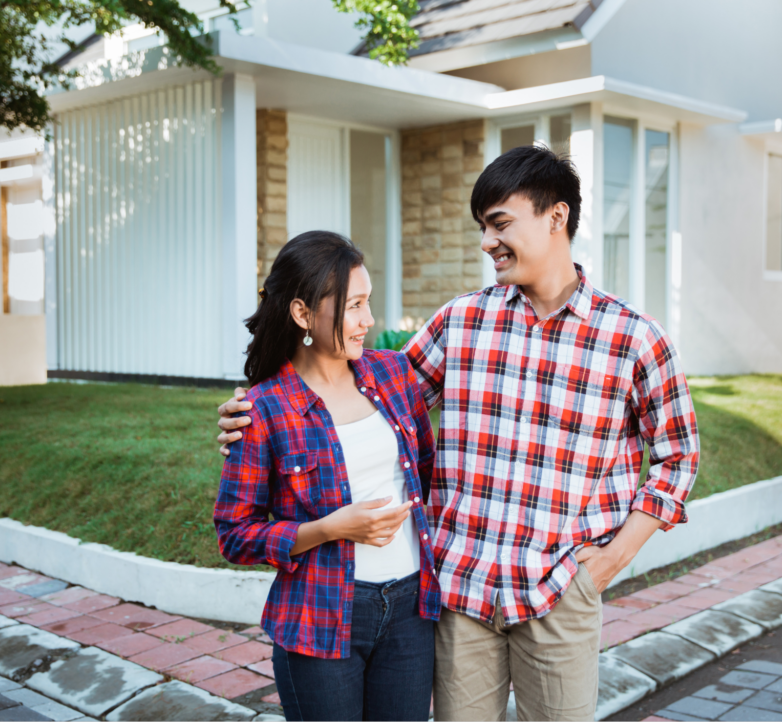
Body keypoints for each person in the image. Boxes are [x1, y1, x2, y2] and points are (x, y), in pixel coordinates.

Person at [218, 147, 700, 721]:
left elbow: (678, 459)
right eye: (481, 228)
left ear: (556, 217)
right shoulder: (462, 322)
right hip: (459, 594)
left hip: (559, 592)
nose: (486, 243)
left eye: (500, 224)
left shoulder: (634, 339)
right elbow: (367, 392)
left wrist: (609, 562)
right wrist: (258, 409)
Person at [213, 231, 439, 722]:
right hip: (320, 618)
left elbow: (426, 472)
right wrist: (332, 528)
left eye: (368, 302)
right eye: (354, 305)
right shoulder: (265, 410)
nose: (369, 320)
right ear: (302, 314)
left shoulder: (395, 375)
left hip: (410, 611)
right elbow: (235, 535)